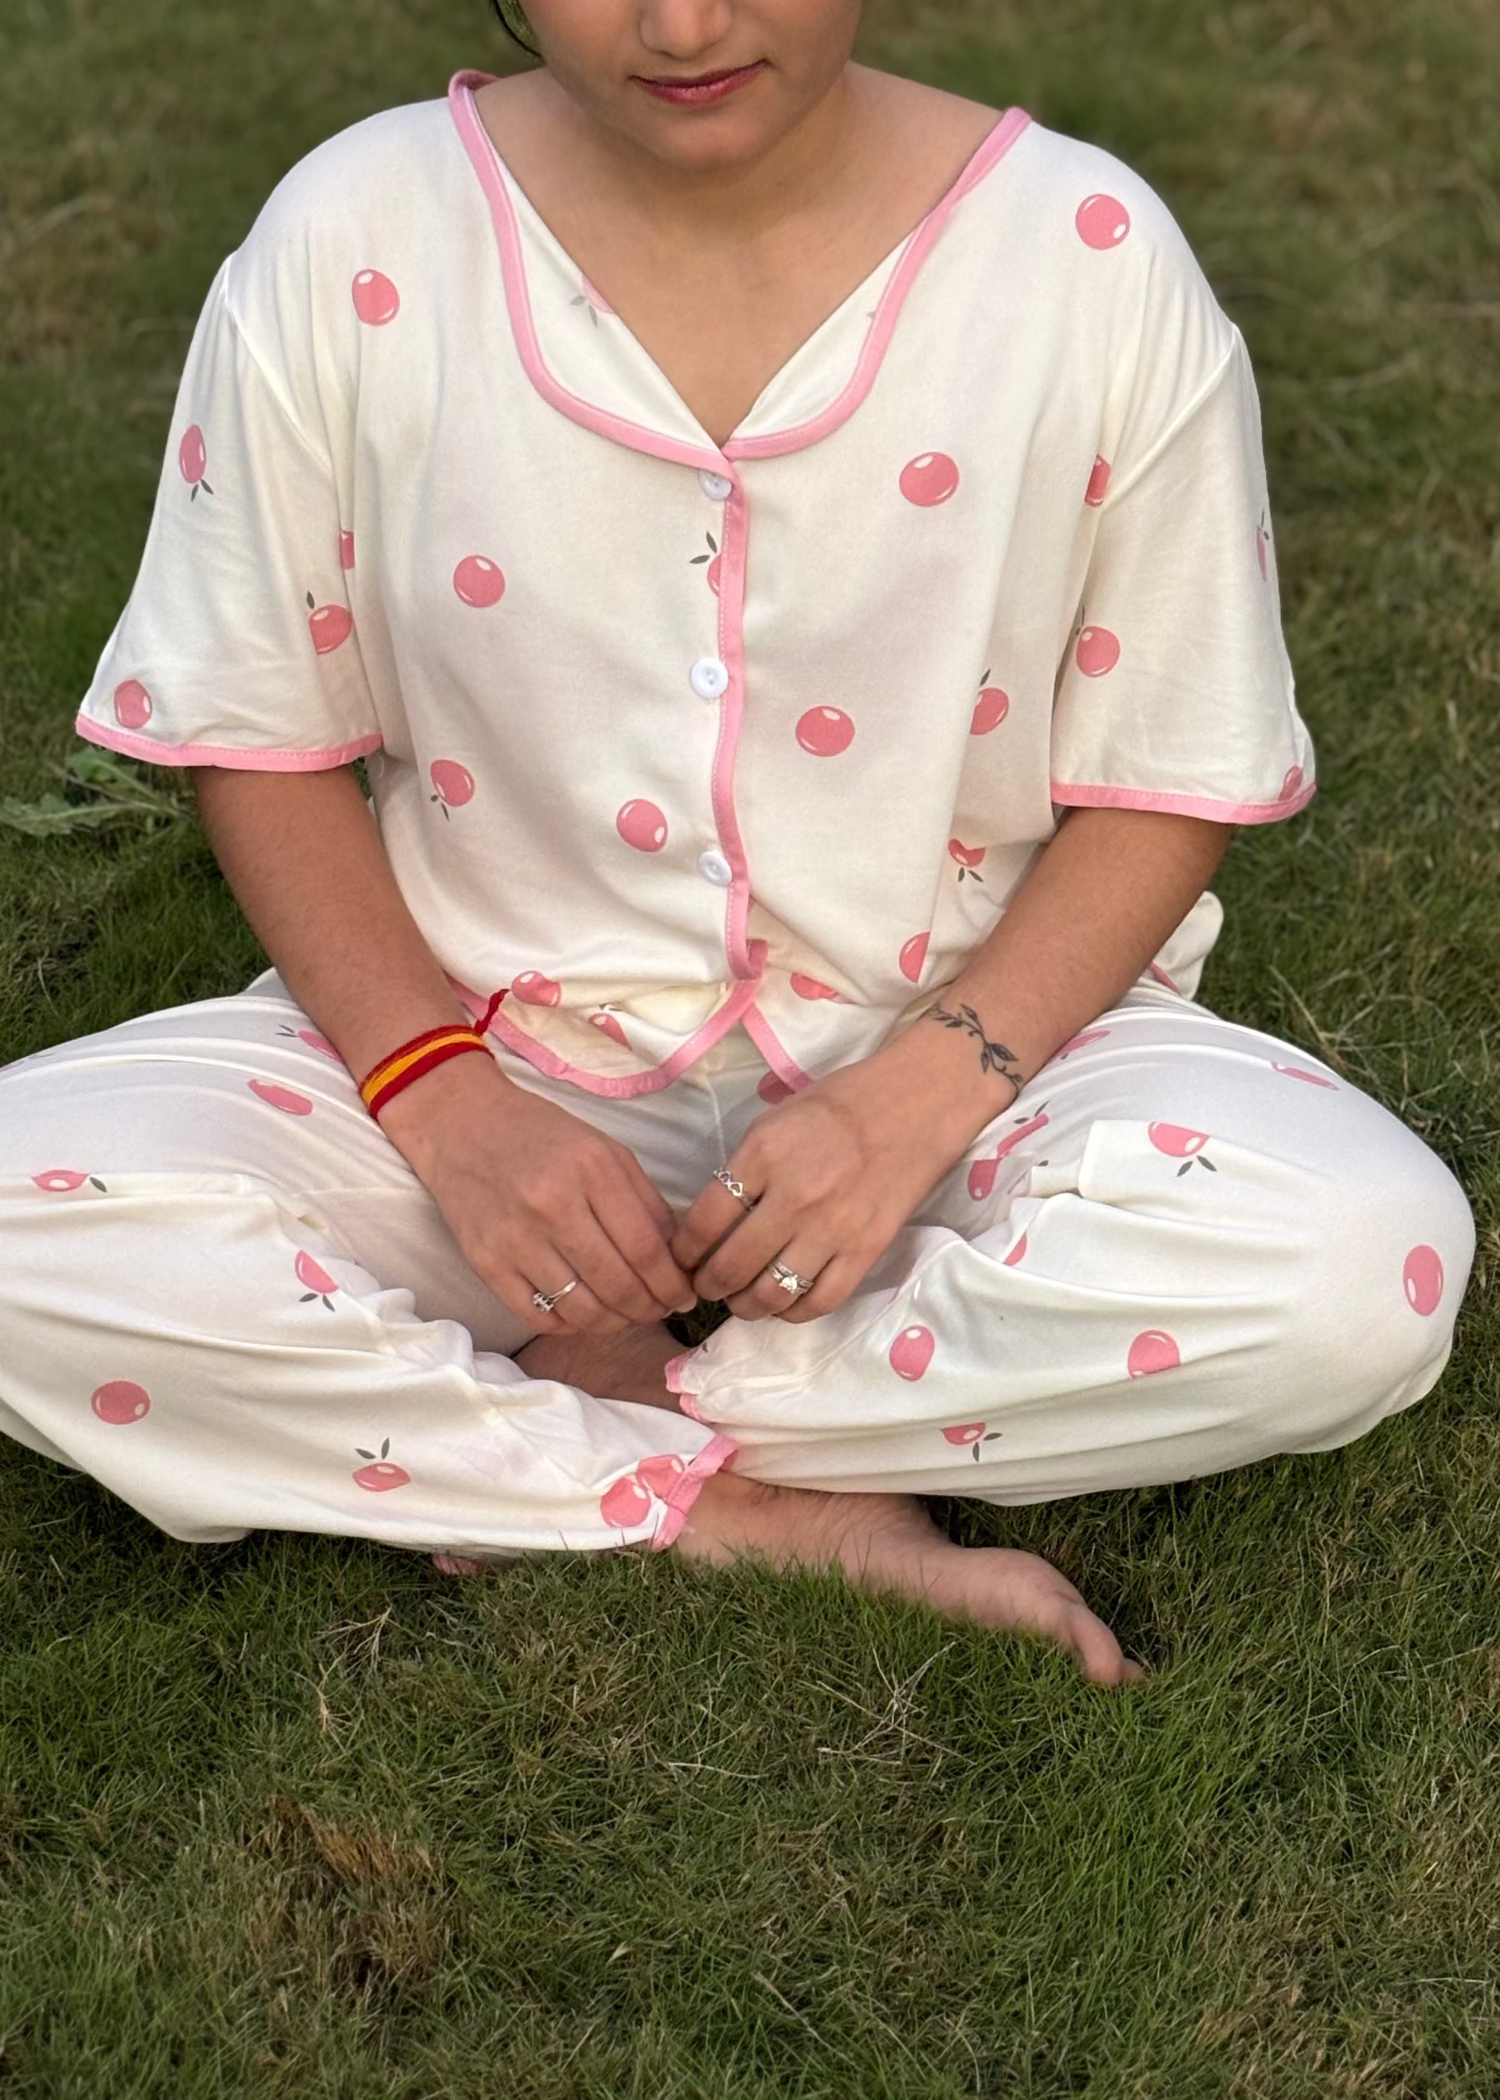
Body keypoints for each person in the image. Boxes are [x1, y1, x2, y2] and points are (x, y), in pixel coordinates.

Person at [0, 0, 1474, 1687]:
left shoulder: (1086, 256)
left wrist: (927, 1089)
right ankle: (742, 1497)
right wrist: (450, 1105)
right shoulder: (352, 236)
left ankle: (602, 1438)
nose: (685, 22)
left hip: (974, 1058)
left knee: (1363, 1267)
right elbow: (256, 738)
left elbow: (1171, 773)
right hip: (470, 1054)